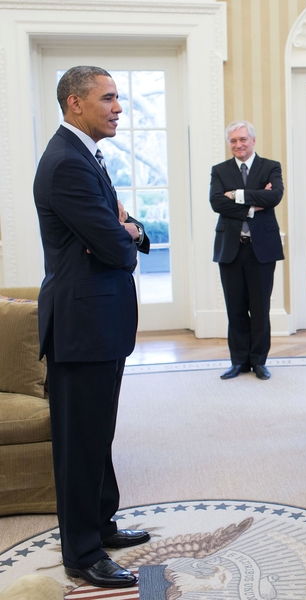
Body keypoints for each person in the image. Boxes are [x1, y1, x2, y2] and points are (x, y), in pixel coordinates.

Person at [34, 65, 151, 588]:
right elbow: (114, 245)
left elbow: (123, 229)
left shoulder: (86, 156)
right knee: (79, 440)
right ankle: (81, 552)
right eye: (108, 98)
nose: (119, 107)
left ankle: (100, 525)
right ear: (75, 103)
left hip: (99, 319)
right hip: (81, 324)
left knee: (97, 431)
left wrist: (122, 230)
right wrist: (120, 234)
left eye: (119, 97)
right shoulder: (66, 163)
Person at [210, 120, 284, 381]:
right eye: (233, 141)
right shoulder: (219, 170)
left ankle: (259, 361)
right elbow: (216, 202)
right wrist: (254, 203)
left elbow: (274, 197)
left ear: (253, 140)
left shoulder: (270, 167)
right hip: (230, 248)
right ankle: (238, 361)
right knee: (236, 307)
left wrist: (237, 196)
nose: (238, 145)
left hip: (261, 249)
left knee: (260, 307)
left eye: (243, 139)